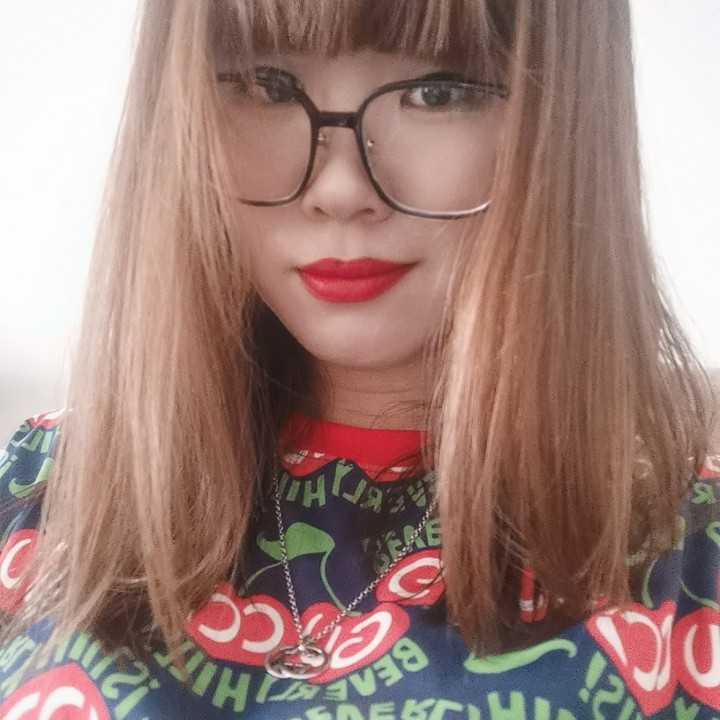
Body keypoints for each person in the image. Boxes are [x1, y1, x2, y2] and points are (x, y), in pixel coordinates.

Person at [0, 0, 718, 717]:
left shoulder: (692, 559)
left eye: (437, 92)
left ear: (567, 120)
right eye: (267, 86)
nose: (341, 190)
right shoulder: (42, 488)